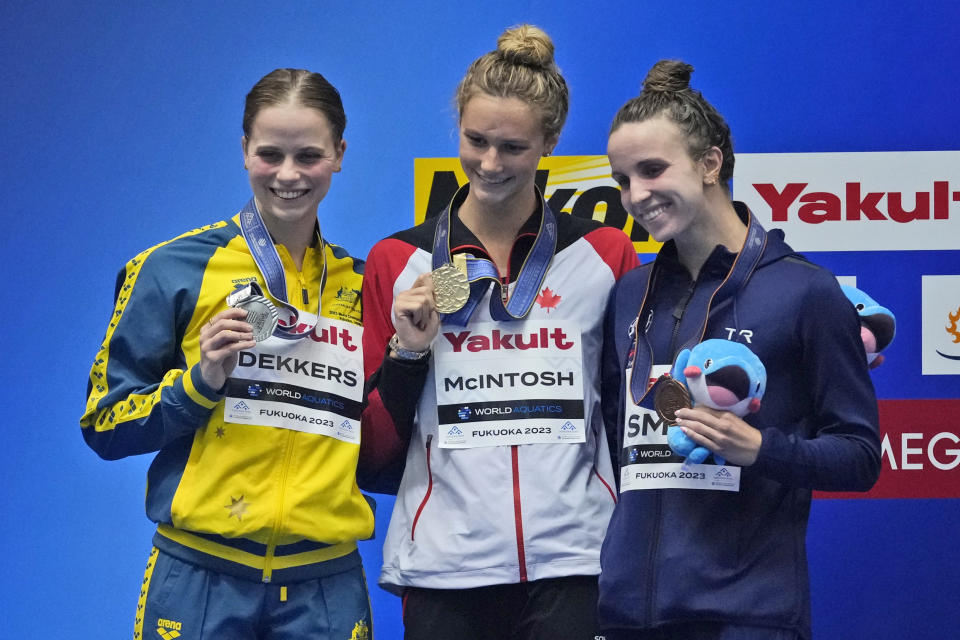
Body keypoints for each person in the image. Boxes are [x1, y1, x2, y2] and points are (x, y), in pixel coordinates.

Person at [359, 24, 639, 640]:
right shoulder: (396, 262)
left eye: (512, 147)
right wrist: (407, 353)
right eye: (475, 140)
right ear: (456, 125)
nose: (489, 163)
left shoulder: (604, 252)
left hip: (575, 558)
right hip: (443, 564)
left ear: (551, 141)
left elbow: (629, 411)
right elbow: (374, 459)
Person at [81, 68, 374, 640]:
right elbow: (103, 424)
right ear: (244, 151)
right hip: (200, 573)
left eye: (308, 155)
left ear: (339, 154)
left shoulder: (365, 284)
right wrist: (200, 383)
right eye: (270, 154)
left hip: (325, 581)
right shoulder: (170, 270)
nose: (288, 175)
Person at [598, 60, 882, 640]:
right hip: (628, 615)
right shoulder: (630, 292)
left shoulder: (805, 291)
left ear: (710, 163)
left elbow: (860, 456)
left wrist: (759, 448)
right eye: (623, 179)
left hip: (747, 615)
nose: (636, 195)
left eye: (653, 170)